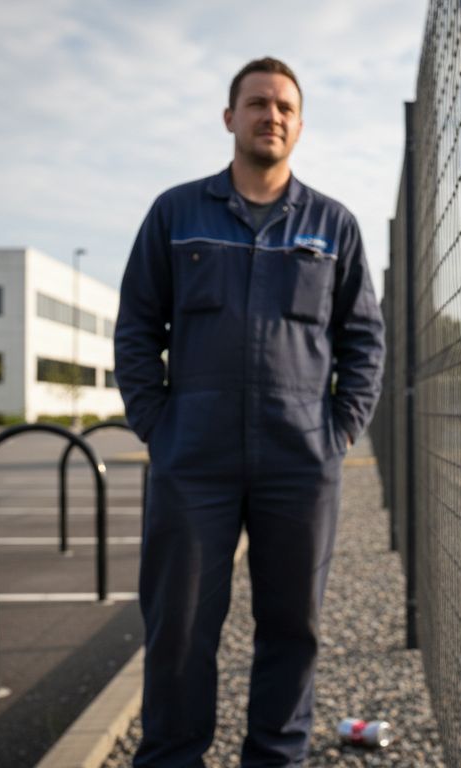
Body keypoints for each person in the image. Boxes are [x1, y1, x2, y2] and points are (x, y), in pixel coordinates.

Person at [113, 56, 385, 767]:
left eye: (286, 108)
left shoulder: (332, 225)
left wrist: (339, 430)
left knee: (294, 625)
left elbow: (364, 339)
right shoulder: (177, 214)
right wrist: (159, 426)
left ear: (300, 125)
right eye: (258, 103)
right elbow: (137, 328)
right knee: (179, 624)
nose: (273, 116)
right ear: (229, 117)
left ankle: (277, 757)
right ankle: (172, 757)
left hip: (299, 455)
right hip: (193, 454)